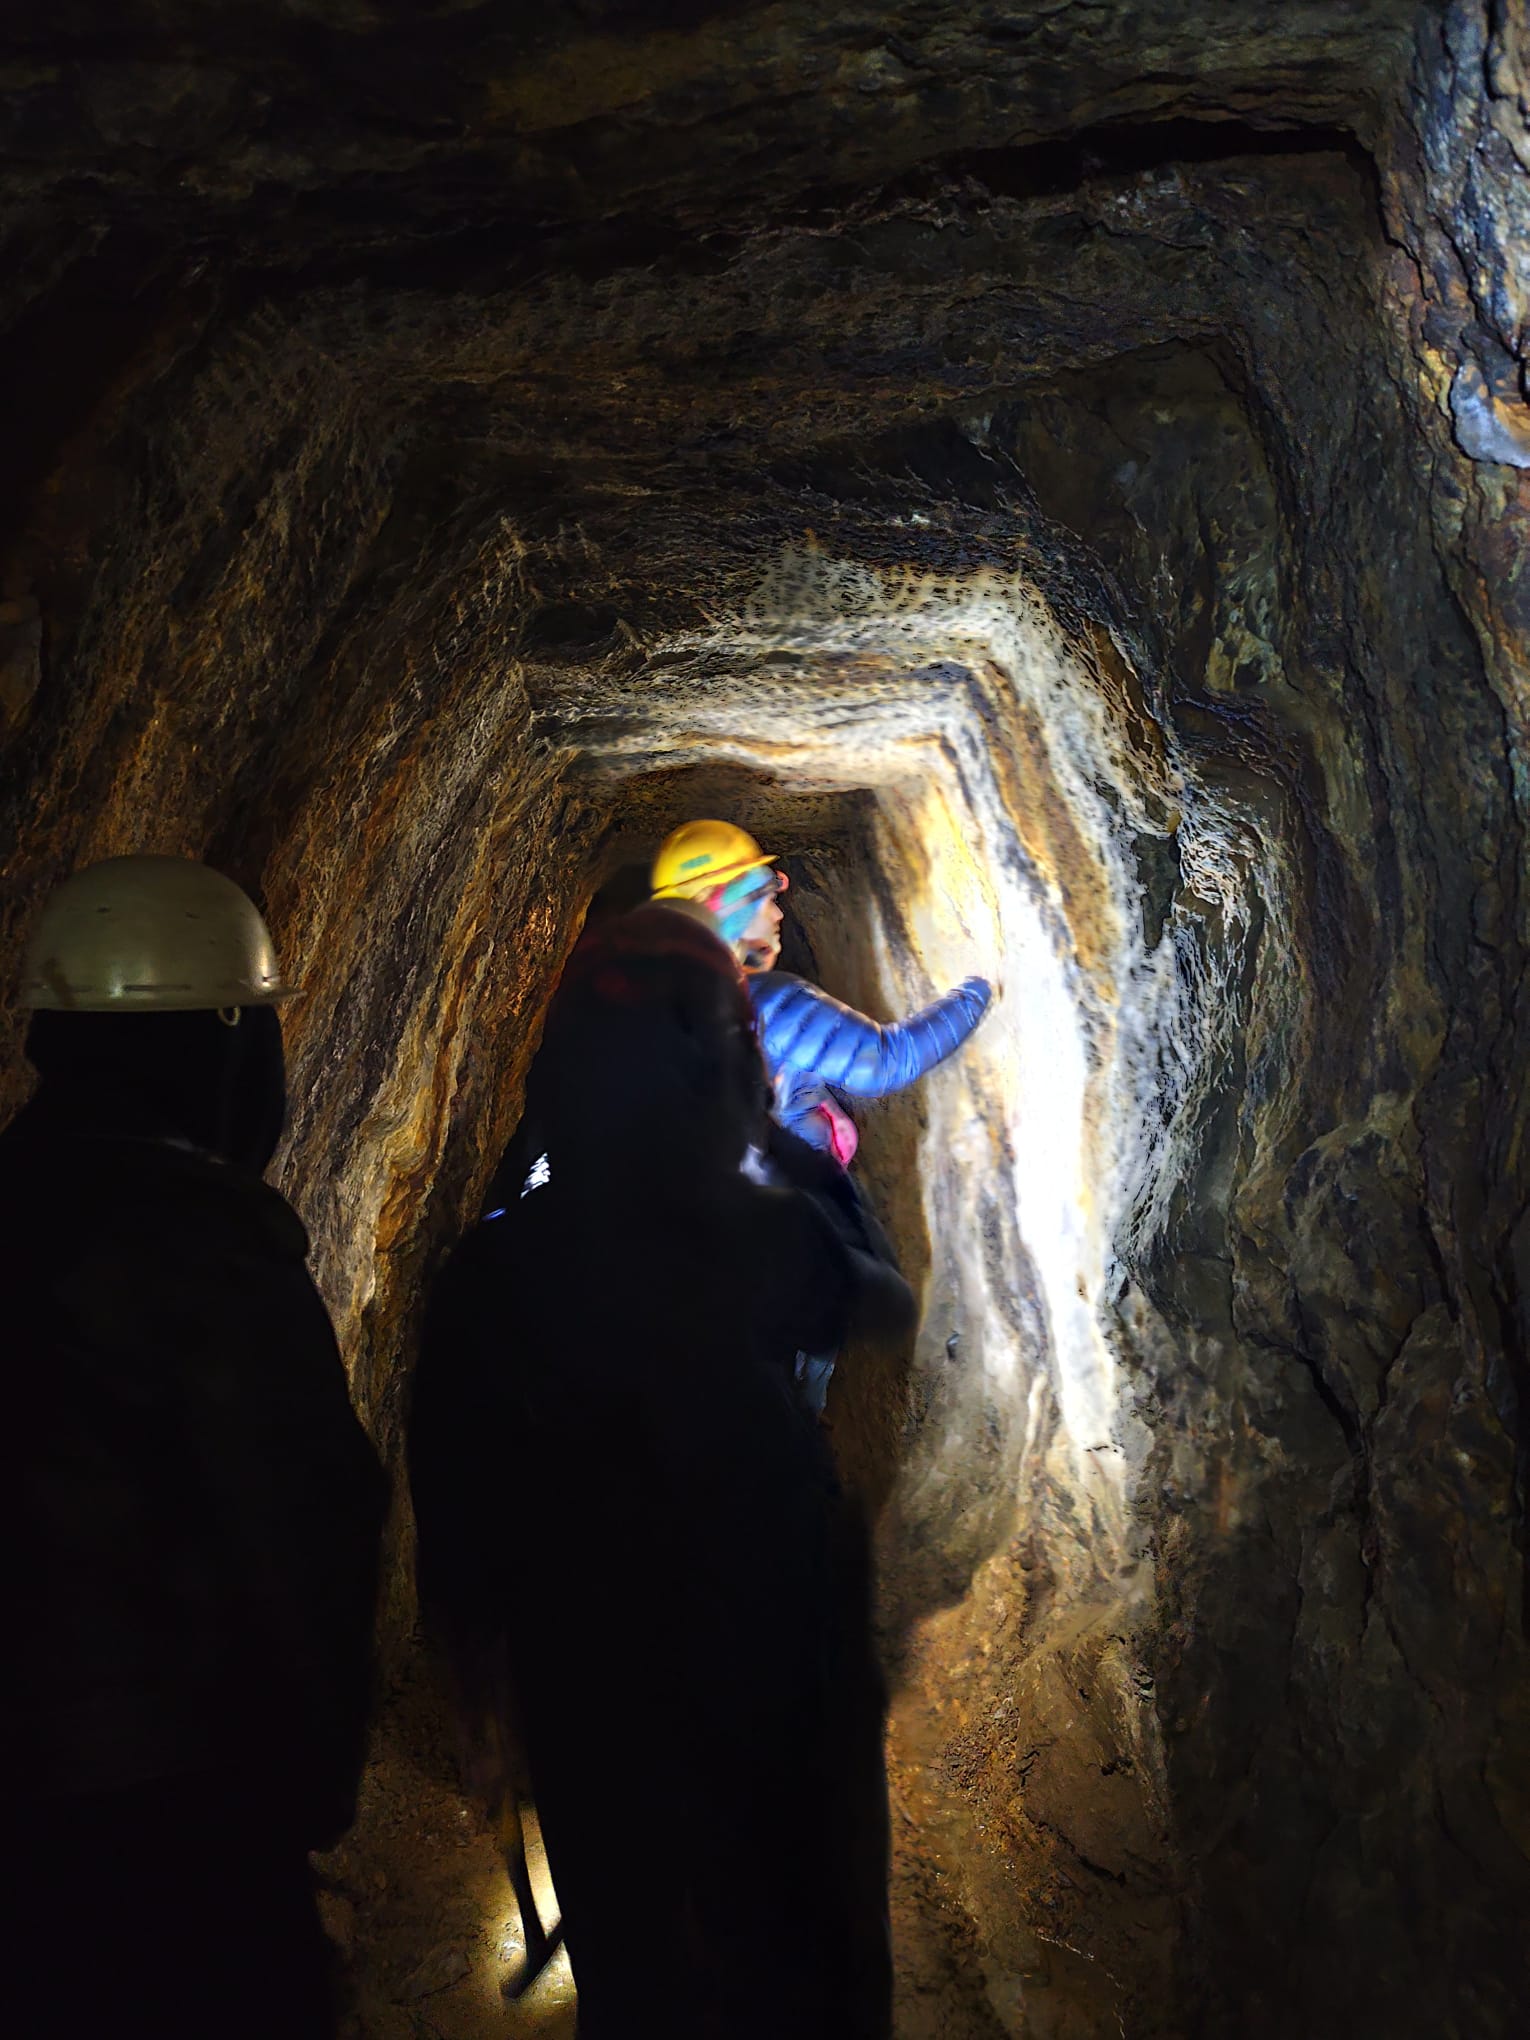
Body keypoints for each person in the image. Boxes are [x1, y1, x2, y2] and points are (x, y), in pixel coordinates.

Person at [409, 905, 914, 2038]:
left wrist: (480, 1693)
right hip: (773, 1670)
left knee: (633, 1964)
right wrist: (788, 1155)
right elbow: (878, 1299)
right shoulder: (755, 1234)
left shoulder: (493, 1269)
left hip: (585, 1681)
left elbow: (454, 1502)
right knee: (798, 1962)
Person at [0, 855, 387, 2040]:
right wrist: (310, 1795)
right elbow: (303, 1536)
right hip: (171, 1817)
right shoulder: (208, 1251)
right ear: (219, 1041)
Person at [650, 819, 994, 1168]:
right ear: (728, 908)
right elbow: (886, 1062)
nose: (778, 913)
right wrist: (980, 990)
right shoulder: (768, 1003)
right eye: (766, 898)